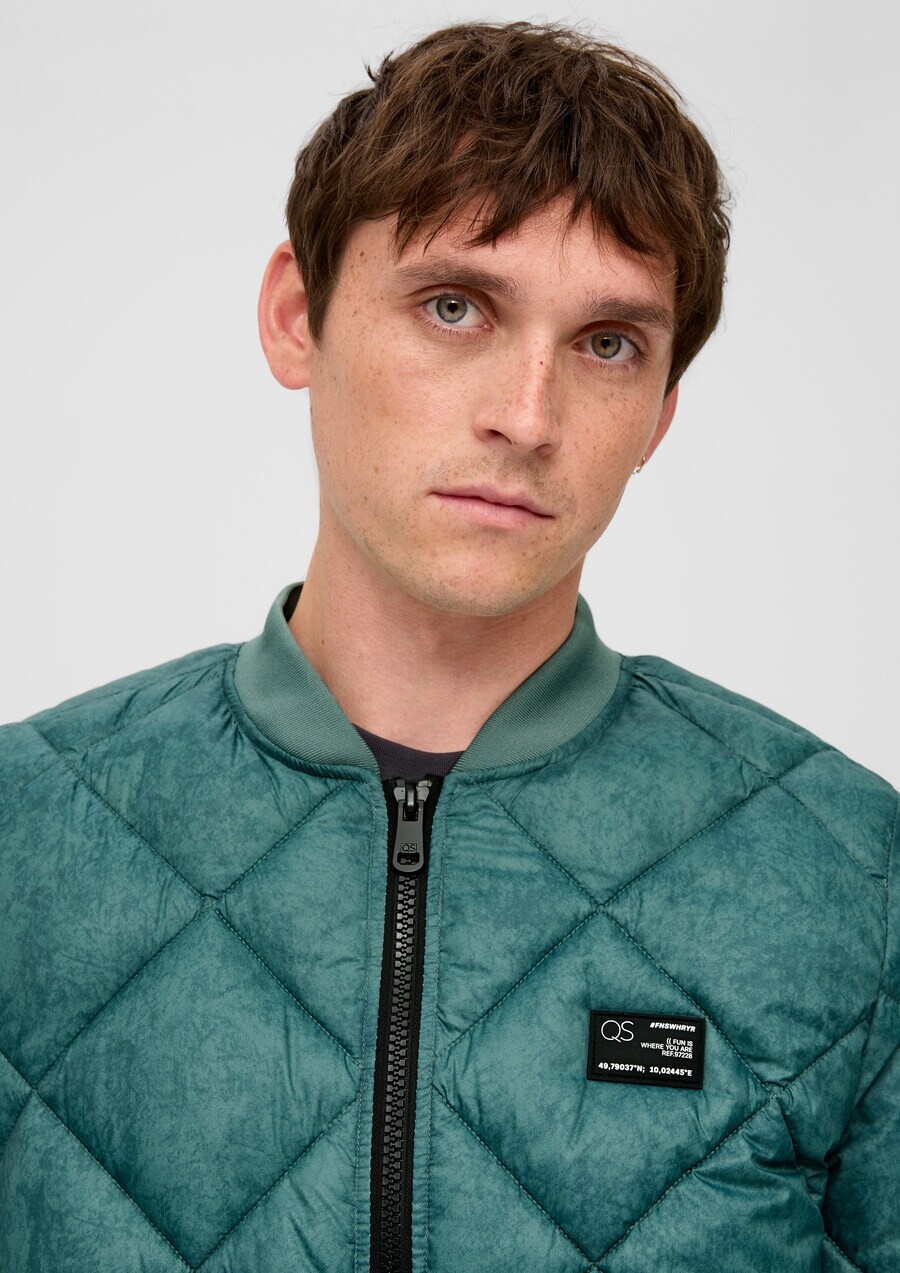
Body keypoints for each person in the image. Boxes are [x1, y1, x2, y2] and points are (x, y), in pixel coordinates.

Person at [0, 19, 896, 1273]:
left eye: (607, 343)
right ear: (297, 316)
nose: (527, 416)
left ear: (659, 413)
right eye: (456, 306)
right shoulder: (23, 833)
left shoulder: (858, 877)